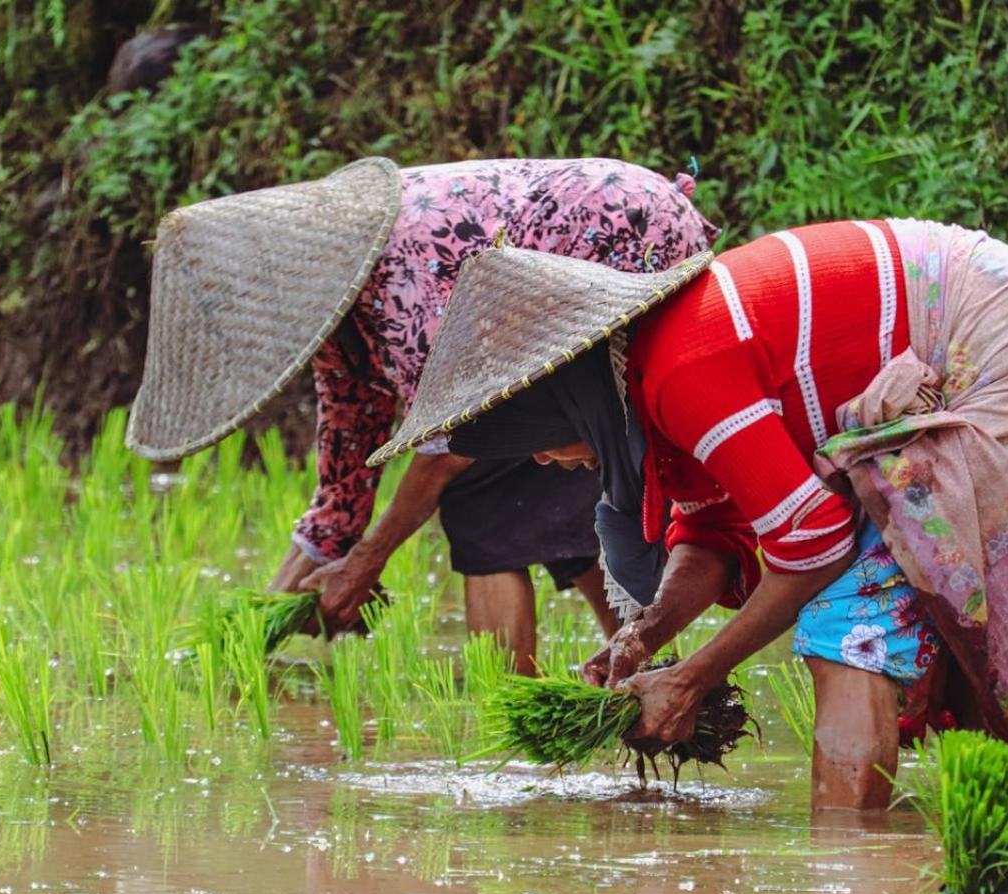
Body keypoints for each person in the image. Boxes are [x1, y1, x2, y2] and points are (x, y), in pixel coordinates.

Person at [369, 219, 1008, 809]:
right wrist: (646, 635)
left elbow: (814, 542)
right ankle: (936, 851)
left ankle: (850, 884)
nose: (539, 459)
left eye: (531, 437)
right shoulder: (653, 379)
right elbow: (714, 533)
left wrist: (692, 679)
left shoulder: (681, 366)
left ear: (562, 400)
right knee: (885, 608)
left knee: (850, 619)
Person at [126, 156, 717, 672]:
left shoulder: (400, 278)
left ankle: (516, 702)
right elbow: (345, 477)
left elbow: (449, 443)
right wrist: (270, 615)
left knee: (482, 497)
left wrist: (366, 562)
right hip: (571, 289)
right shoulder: (341, 328)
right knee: (543, 483)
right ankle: (636, 676)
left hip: (622, 242)